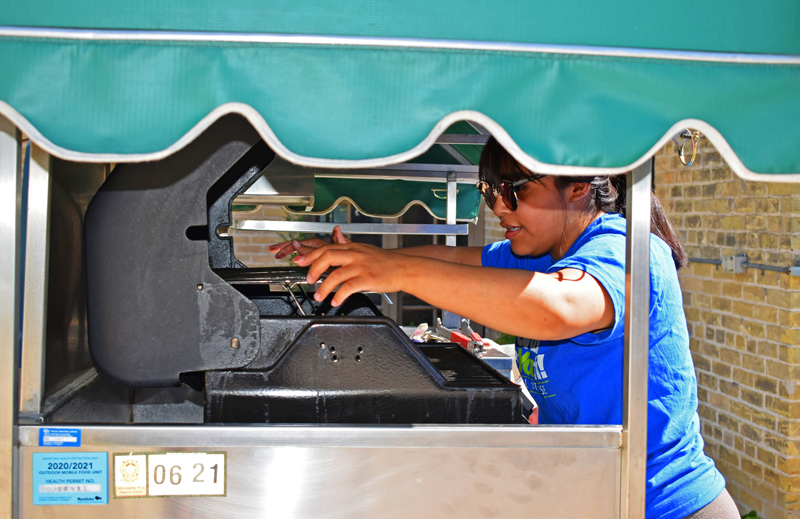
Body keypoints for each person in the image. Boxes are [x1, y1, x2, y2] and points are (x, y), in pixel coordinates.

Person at [268, 137, 738, 519]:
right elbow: (453, 260)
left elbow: (558, 306)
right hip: (596, 496)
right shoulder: (541, 255)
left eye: (514, 190)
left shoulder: (629, 251)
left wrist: (396, 274)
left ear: (577, 186)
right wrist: (369, 259)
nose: (499, 207)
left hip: (667, 506)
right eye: (490, 192)